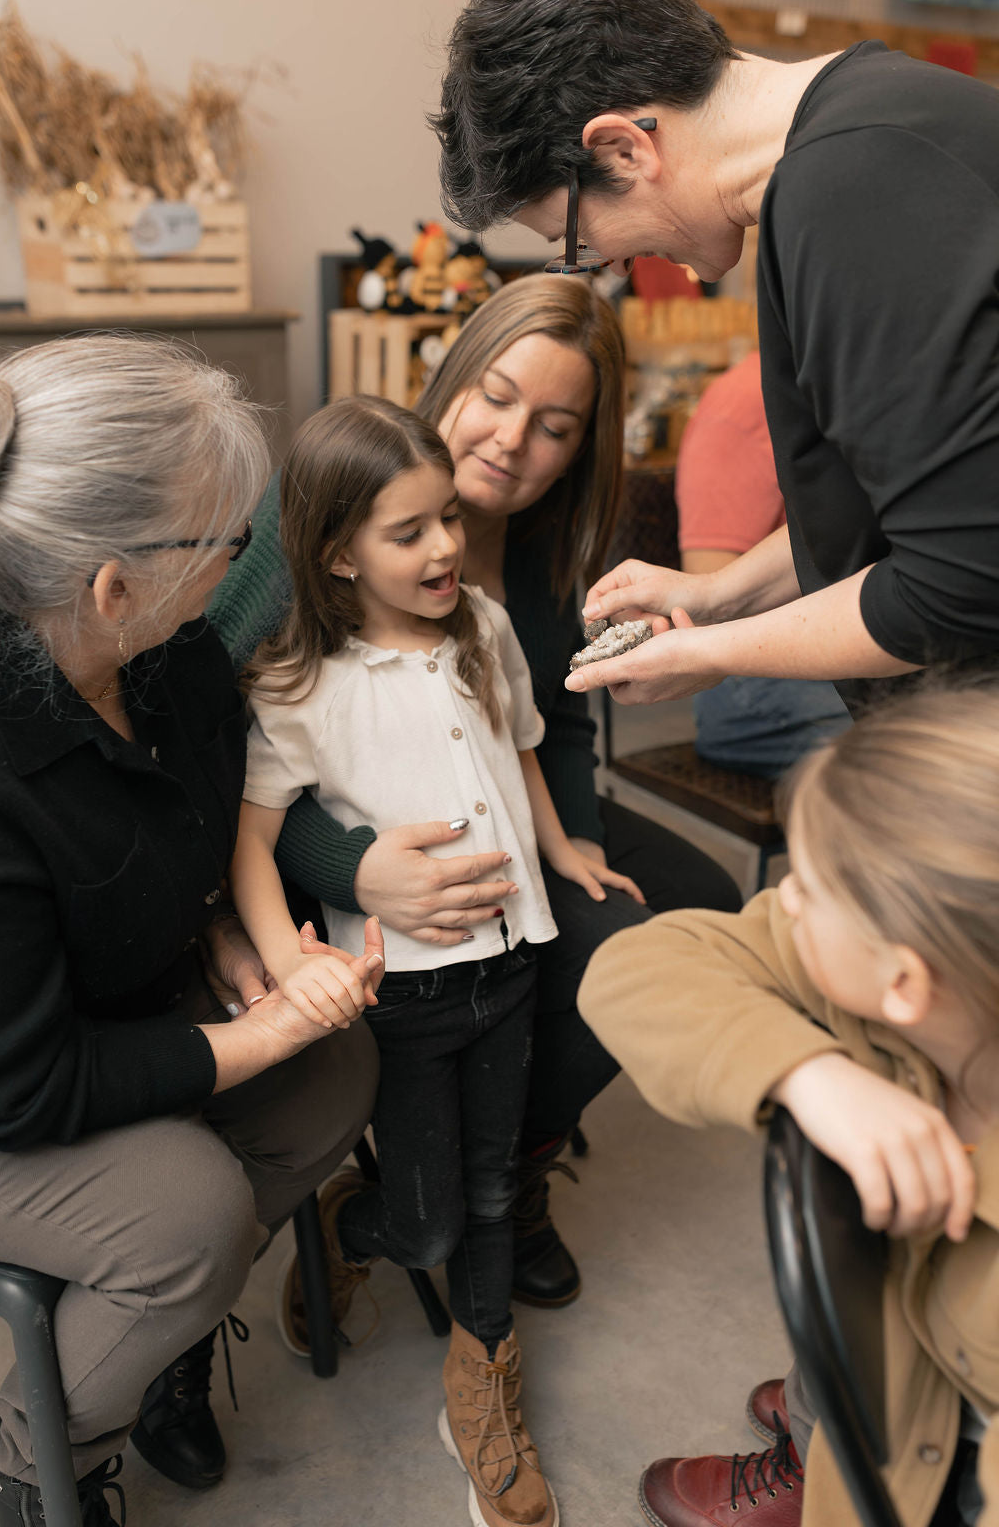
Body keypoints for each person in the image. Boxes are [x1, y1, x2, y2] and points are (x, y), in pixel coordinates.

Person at [208, 275, 742, 1325]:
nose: (510, 443)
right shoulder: (331, 501)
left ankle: (505, 1166)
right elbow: (226, 740)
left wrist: (576, 841)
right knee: (578, 946)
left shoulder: (548, 547)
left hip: (491, 797)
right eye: (495, 396)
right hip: (329, 832)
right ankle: (423, 1195)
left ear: (584, 445)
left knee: (684, 905)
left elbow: (562, 713)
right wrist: (350, 864)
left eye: (553, 427)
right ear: (454, 376)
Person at [0, 337, 382, 1527]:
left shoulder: (170, 659)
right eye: (226, 541)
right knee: (188, 1217)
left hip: (91, 1014)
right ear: (112, 584)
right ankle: (23, 1452)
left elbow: (181, 839)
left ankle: (152, 1333)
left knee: (335, 1073)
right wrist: (258, 1032)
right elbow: (23, 1088)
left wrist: (225, 941)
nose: (243, 562)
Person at [231, 395, 642, 1527]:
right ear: (334, 551)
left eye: (447, 520)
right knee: (426, 1221)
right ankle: (353, 1224)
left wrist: (568, 852)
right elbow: (253, 848)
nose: (445, 547)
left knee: (497, 1182)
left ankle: (482, 1371)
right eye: (407, 532)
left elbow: (523, 753)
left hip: (509, 966)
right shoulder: (294, 683)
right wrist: (288, 960)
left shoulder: (487, 631)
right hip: (400, 996)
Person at [434, 0, 999, 714]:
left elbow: (957, 581)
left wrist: (709, 651)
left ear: (623, 149)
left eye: (575, 239)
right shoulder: (881, 115)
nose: (604, 263)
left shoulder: (850, 190)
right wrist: (720, 594)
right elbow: (924, 506)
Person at [577, 681, 999, 1527]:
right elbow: (636, 970)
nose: (785, 899)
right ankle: (828, 1416)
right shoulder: (921, 972)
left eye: (807, 887)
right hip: (900, 1380)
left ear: (904, 979)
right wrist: (809, 1070)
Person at [676, 351, 850, 777]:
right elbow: (711, 608)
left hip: (844, 638)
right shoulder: (742, 406)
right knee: (919, 759)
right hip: (754, 670)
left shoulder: (858, 385)